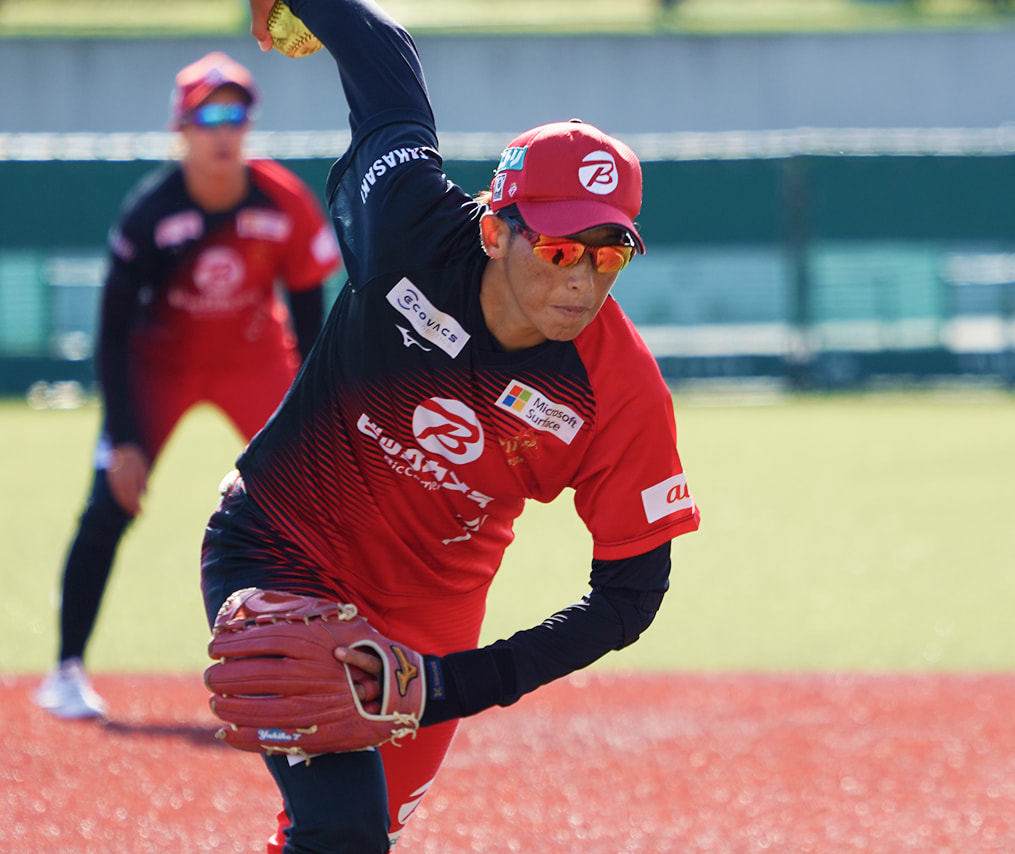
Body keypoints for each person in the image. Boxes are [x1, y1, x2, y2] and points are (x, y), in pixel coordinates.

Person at [199, 0, 701, 849]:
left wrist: (442, 684)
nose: (581, 281)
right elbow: (383, 57)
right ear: (497, 229)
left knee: (365, 833)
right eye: (559, 250)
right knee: (343, 831)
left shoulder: (618, 390)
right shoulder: (410, 224)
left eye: (608, 254)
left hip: (432, 622)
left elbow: (630, 597)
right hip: (283, 545)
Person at [33, 51, 341, 720]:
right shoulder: (151, 212)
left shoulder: (283, 200)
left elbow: (313, 326)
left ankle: (334, 663)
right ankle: (65, 672)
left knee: (320, 501)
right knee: (111, 502)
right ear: (181, 127)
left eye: (236, 115)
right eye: (208, 116)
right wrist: (122, 439)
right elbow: (112, 333)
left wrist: (314, 424)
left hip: (256, 358)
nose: (223, 131)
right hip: (160, 366)